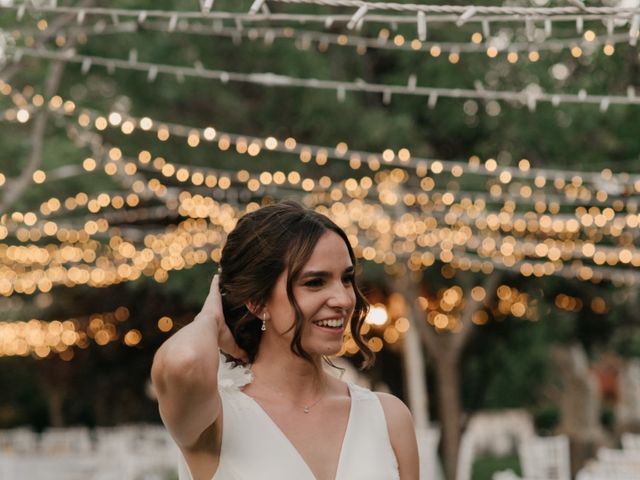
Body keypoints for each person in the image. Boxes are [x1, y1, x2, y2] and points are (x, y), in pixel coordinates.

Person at [151, 201, 419, 480]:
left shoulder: (388, 417)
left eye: (347, 279)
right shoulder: (213, 420)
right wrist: (210, 319)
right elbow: (183, 362)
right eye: (315, 282)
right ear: (257, 301)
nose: (342, 299)